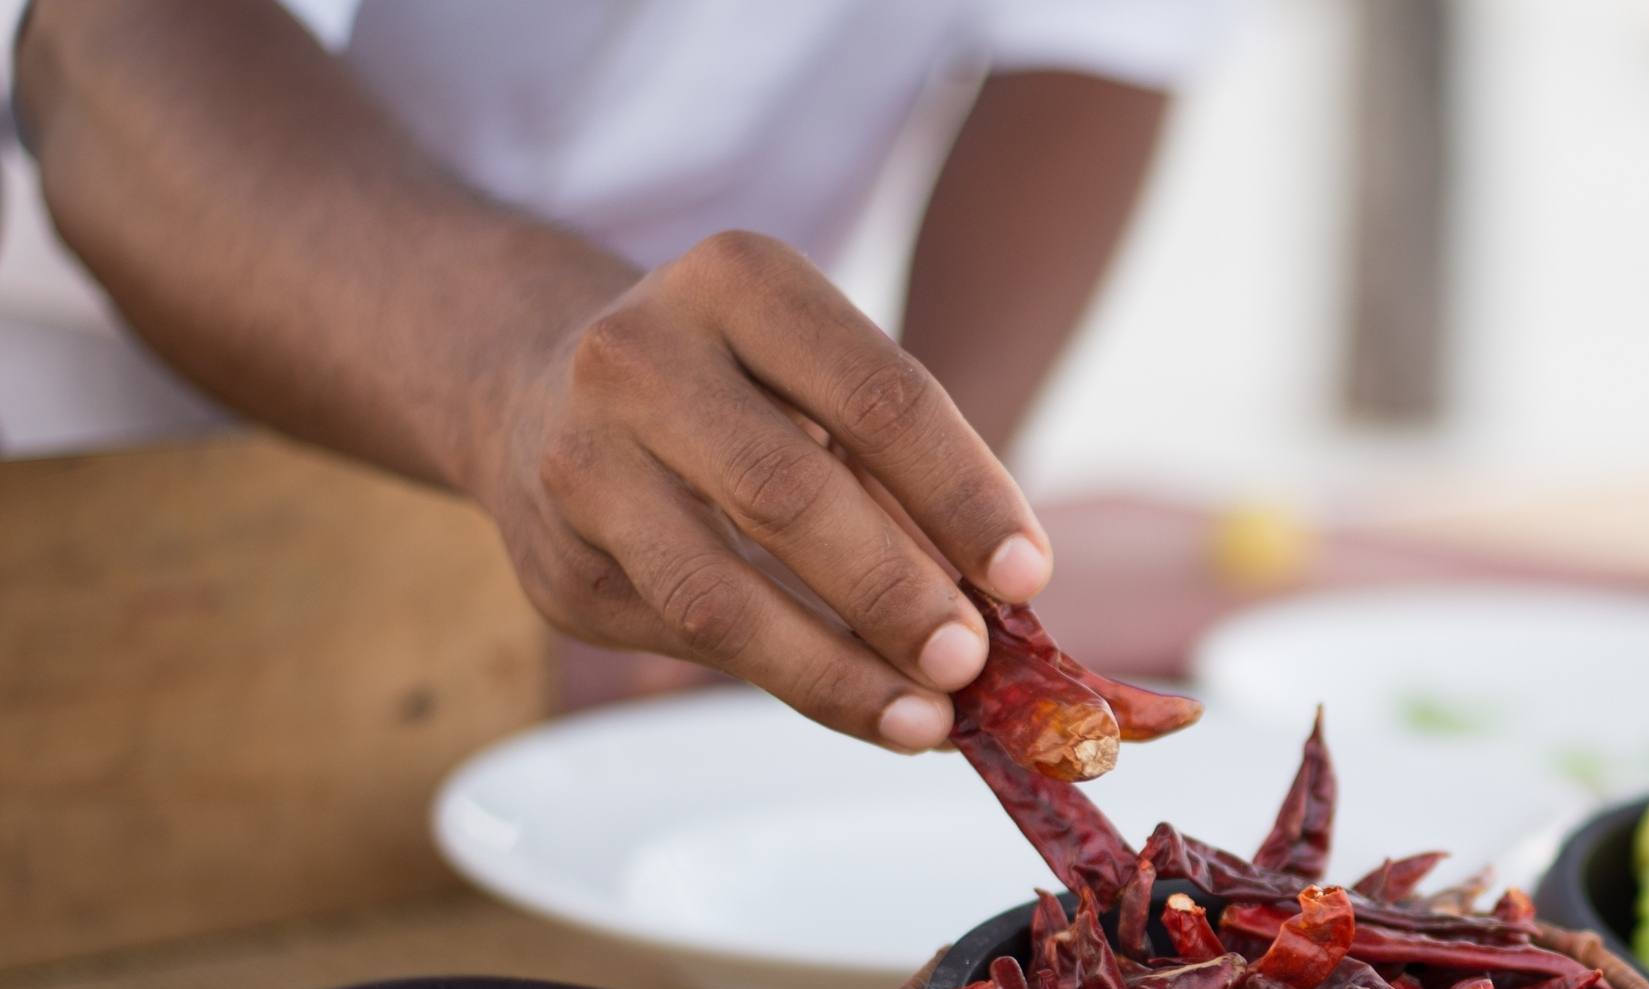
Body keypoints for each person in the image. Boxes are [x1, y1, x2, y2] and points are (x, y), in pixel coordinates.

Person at [4, 0, 1235, 748]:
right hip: (119, 445)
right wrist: (515, 379)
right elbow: (101, 50)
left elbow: (1098, 44)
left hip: (709, 456)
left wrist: (914, 556)